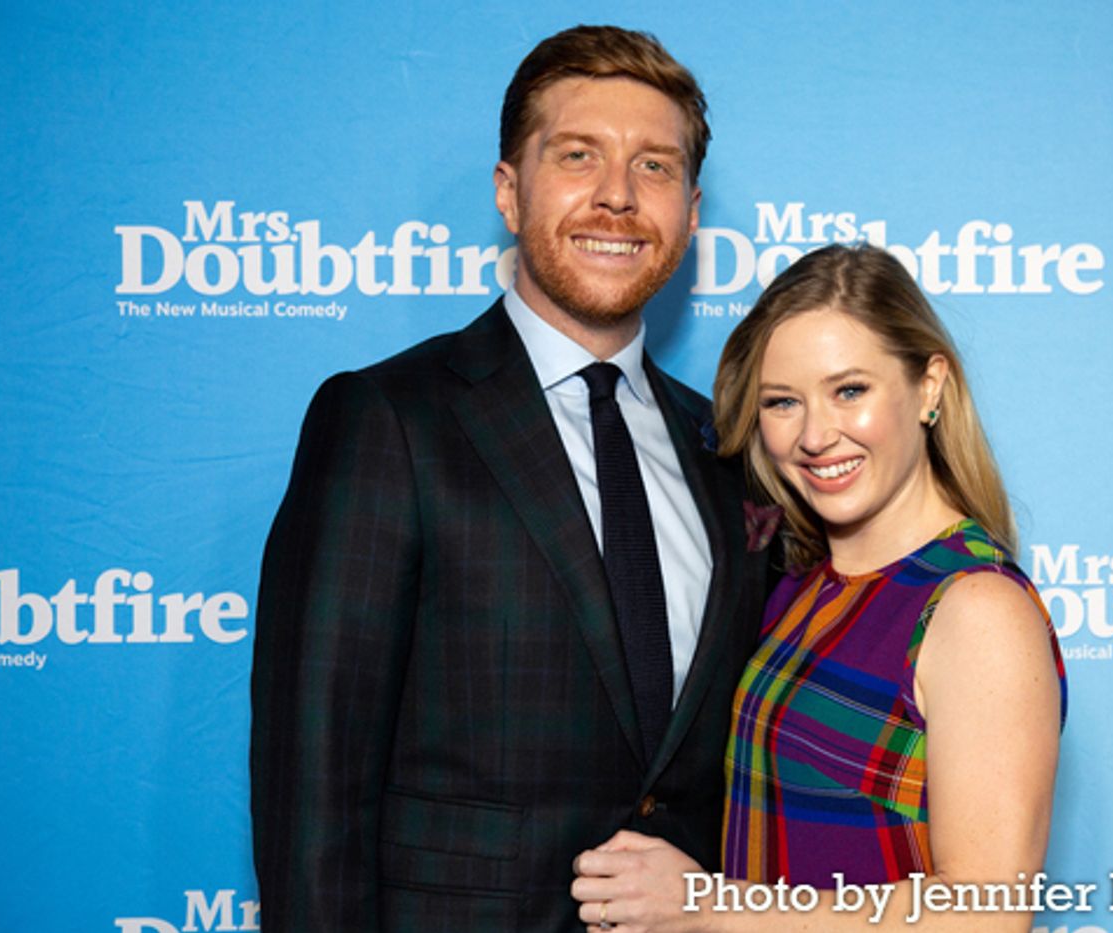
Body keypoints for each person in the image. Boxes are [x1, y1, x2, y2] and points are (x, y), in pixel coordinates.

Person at [250, 26, 771, 933]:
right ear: (508, 190)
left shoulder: (724, 447)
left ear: (689, 213)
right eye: (578, 156)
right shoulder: (390, 420)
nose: (617, 194)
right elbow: (314, 779)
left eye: (653, 167)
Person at [571, 243, 1067, 931]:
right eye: (782, 402)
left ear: (929, 386)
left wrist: (713, 904)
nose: (814, 435)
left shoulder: (975, 607)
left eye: (850, 390)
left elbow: (986, 913)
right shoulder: (795, 585)